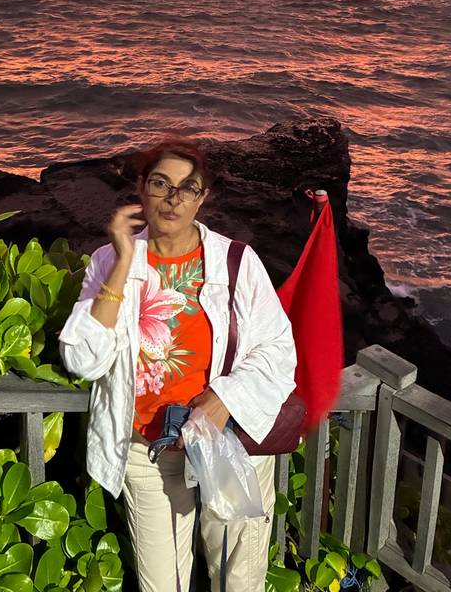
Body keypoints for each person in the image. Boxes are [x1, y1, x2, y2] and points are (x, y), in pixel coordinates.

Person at [59, 138, 297, 592]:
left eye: (189, 188)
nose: (174, 198)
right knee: (160, 584)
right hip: (146, 450)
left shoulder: (236, 262)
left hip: (226, 444)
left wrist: (225, 399)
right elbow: (83, 359)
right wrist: (123, 264)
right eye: (161, 183)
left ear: (202, 198)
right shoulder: (109, 261)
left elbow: (278, 350)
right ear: (141, 190)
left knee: (238, 578)